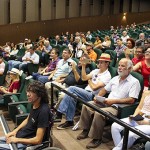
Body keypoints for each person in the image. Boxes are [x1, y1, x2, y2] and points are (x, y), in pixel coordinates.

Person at [77, 58, 141, 149]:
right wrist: (98, 97)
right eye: (119, 65)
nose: (119, 68)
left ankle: (96, 138)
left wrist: (113, 101)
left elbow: (132, 100)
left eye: (123, 66)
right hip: (106, 102)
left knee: (99, 113)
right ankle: (85, 130)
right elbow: (104, 89)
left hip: (117, 107)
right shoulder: (115, 78)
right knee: (87, 105)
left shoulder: (134, 82)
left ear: (130, 69)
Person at [56, 53, 112, 129]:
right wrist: (83, 66)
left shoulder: (107, 75)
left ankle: (59, 113)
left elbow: (94, 88)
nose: (99, 63)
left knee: (71, 88)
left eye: (102, 62)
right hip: (85, 92)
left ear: (107, 64)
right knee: (72, 96)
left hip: (93, 96)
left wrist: (89, 80)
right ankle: (69, 121)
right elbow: (84, 78)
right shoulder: (96, 70)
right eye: (99, 62)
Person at [0, 81, 50, 150]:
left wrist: (17, 140)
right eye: (28, 92)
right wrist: (15, 131)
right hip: (20, 136)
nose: (27, 94)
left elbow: (38, 140)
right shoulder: (35, 103)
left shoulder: (43, 112)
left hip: (25, 143)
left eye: (31, 92)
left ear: (39, 95)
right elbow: (28, 119)